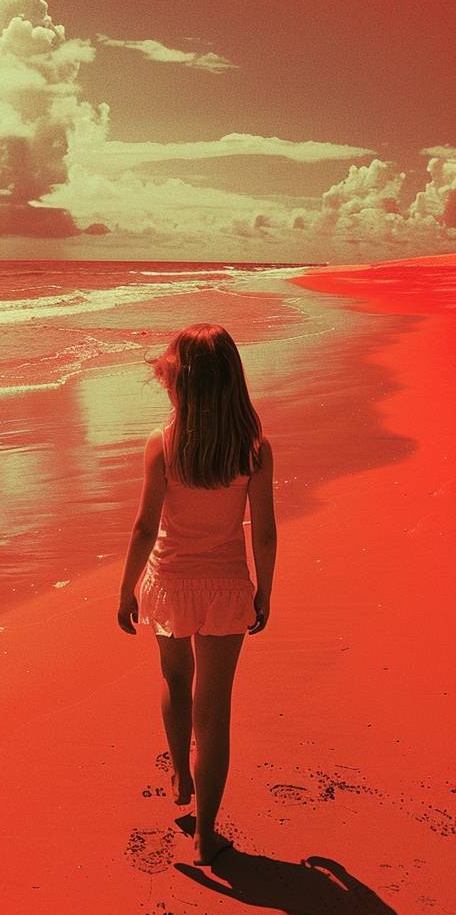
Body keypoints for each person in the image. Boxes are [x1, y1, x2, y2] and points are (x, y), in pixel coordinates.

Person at [116, 322, 277, 867]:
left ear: (179, 386)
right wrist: (265, 592)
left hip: (170, 581)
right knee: (216, 710)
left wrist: (126, 590)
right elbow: (266, 530)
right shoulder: (254, 449)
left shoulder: (162, 446)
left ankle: (180, 773)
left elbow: (143, 527)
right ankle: (207, 833)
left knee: (174, 679)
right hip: (228, 586)